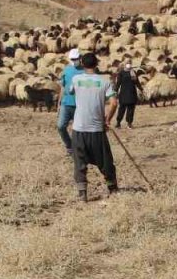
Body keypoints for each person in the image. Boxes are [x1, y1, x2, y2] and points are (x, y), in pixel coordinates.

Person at [68, 52, 119, 201]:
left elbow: (70, 91)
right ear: (96, 64)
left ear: (82, 64)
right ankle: (112, 188)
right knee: (105, 161)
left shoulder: (76, 79)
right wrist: (107, 119)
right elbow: (114, 102)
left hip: (79, 128)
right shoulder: (104, 81)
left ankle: (82, 193)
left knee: (79, 162)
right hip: (97, 129)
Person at [56, 49, 83, 154]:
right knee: (60, 126)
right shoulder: (66, 70)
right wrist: (59, 102)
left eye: (76, 59)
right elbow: (63, 87)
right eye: (72, 59)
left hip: (79, 105)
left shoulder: (84, 71)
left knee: (78, 130)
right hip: (66, 103)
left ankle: (78, 149)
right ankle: (69, 145)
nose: (74, 61)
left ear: (80, 58)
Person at [113, 62, 140, 128]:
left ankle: (125, 123)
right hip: (127, 94)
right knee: (125, 109)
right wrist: (115, 91)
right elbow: (118, 83)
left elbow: (137, 83)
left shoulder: (130, 72)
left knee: (126, 110)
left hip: (128, 94)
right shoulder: (125, 73)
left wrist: (142, 89)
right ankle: (122, 123)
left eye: (129, 63)